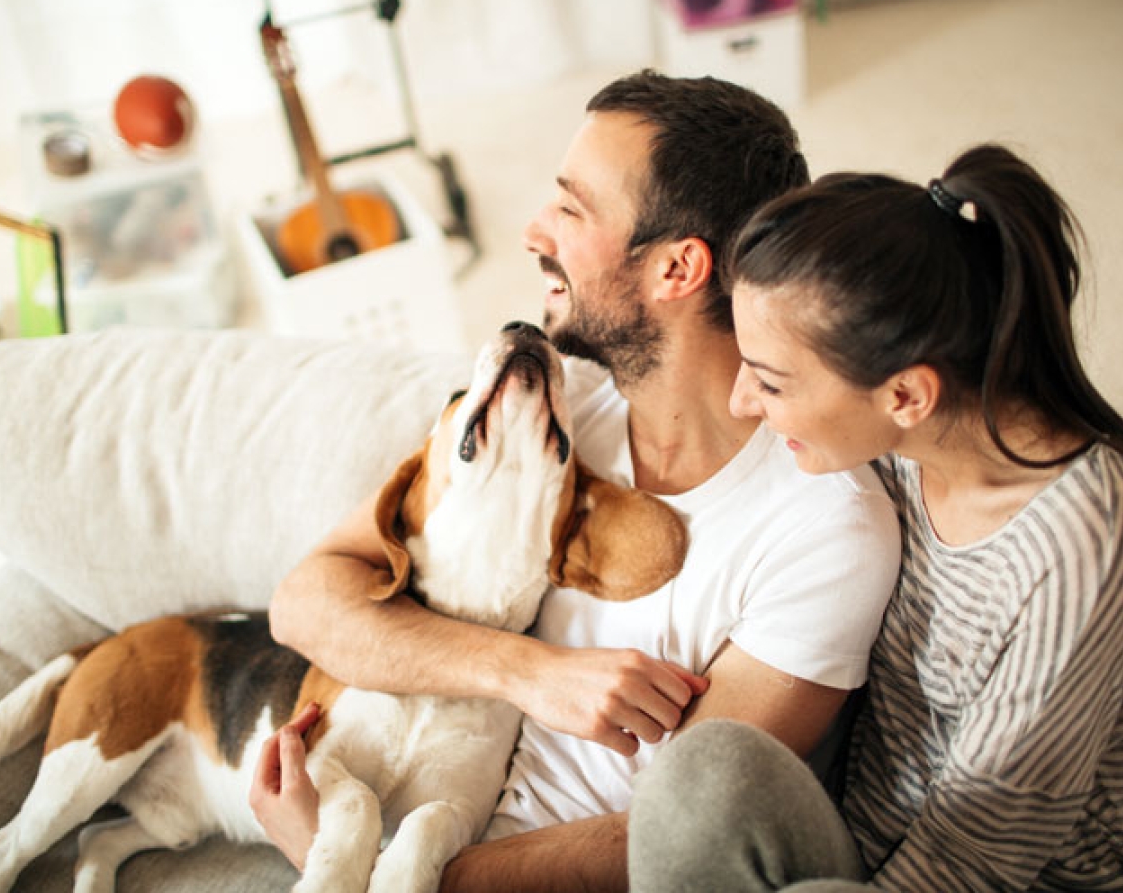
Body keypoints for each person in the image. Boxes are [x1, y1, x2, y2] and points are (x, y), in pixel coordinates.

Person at [250, 70, 902, 891]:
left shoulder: (827, 529)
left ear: (677, 269)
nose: (532, 230)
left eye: (571, 207)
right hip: (410, 812)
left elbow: (677, 830)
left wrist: (367, 869)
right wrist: (528, 672)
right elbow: (304, 600)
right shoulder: (558, 403)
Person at [628, 143, 1123, 891]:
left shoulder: (1077, 543)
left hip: (985, 875)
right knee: (703, 768)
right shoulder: (900, 447)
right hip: (859, 822)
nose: (743, 404)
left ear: (905, 396)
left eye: (769, 382)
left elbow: (977, 858)